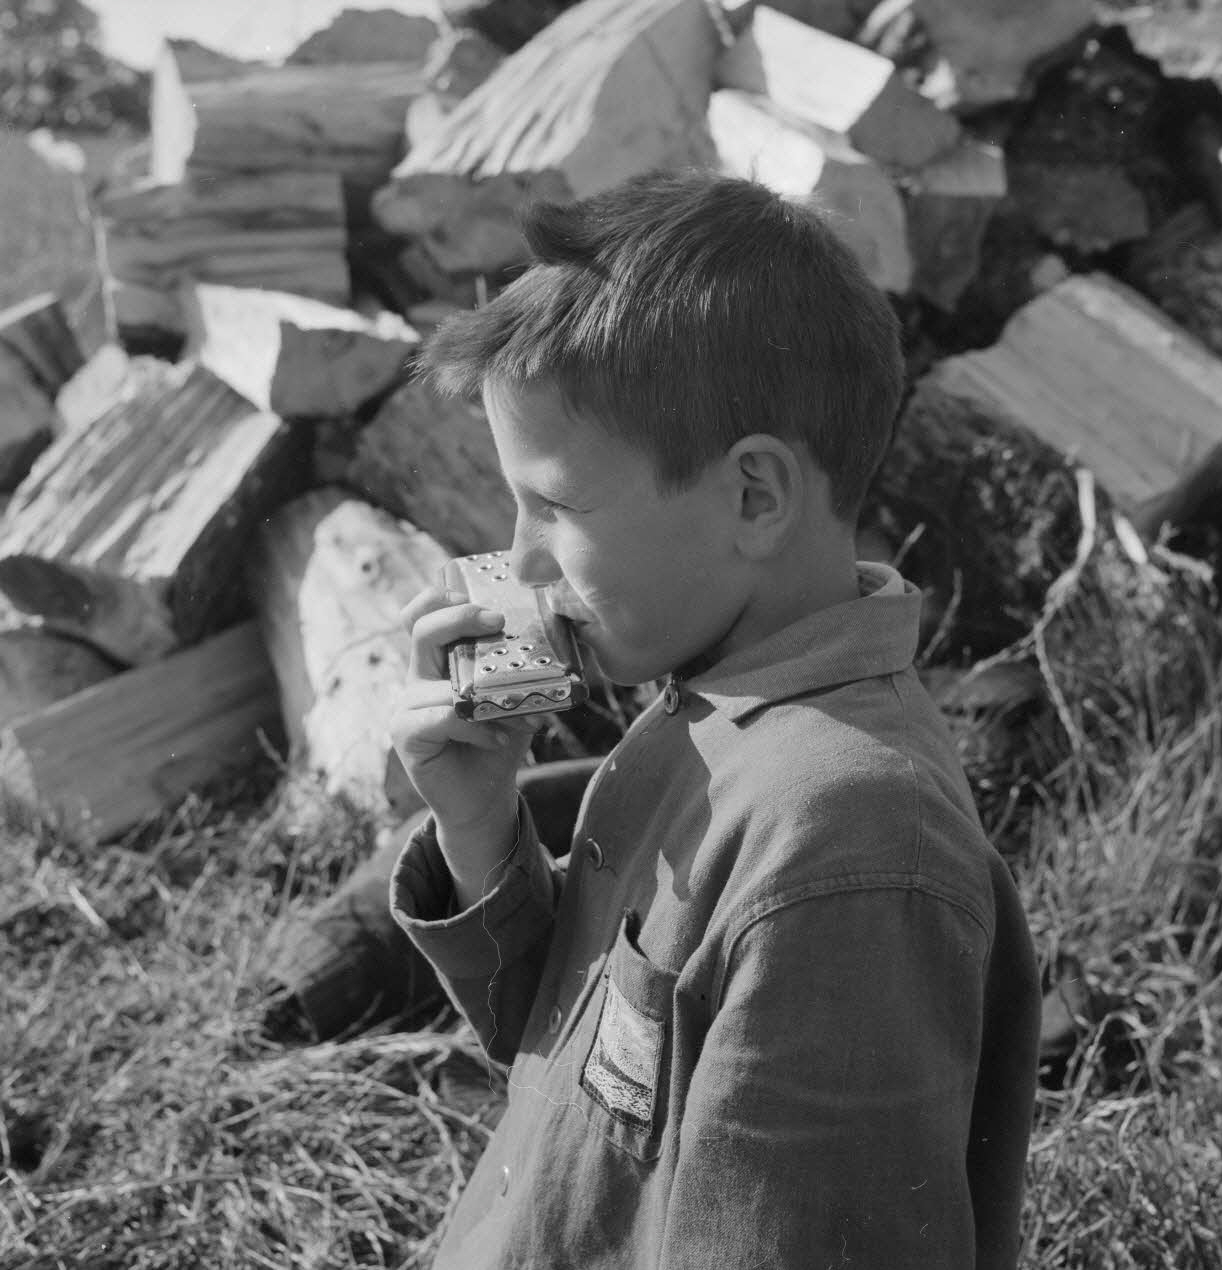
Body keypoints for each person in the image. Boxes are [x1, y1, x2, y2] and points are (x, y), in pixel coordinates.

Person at [388, 169, 1041, 1269]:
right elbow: (585, 1073)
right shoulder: (706, 708)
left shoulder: (846, 846)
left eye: (553, 503)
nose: (523, 555)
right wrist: (482, 831)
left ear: (751, 497)